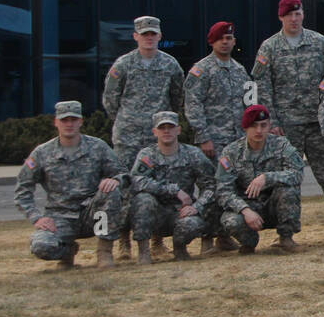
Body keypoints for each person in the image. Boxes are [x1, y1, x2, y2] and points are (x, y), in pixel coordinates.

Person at [103, 15, 184, 259]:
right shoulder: (123, 65)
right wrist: (127, 121)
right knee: (126, 187)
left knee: (157, 186)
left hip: (158, 137)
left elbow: (177, 98)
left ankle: (157, 239)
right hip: (128, 137)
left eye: (153, 34)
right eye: (144, 34)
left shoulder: (170, 65)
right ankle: (125, 240)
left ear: (159, 36)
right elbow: (110, 100)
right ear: (135, 36)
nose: (149, 38)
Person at [251, 0, 324, 213]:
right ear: (281, 17)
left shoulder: (318, 42)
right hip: (287, 124)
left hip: (318, 122)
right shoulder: (269, 47)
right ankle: (287, 227)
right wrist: (271, 122)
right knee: (287, 175)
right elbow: (262, 87)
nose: (294, 19)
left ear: (303, 15)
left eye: (297, 14)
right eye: (289, 15)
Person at [14, 101, 125, 268]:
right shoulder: (42, 153)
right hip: (60, 216)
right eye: (64, 120)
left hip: (92, 215)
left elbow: (123, 173)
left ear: (80, 121)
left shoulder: (97, 147)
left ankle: (104, 252)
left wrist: (115, 179)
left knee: (111, 192)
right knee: (41, 247)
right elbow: (23, 190)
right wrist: (37, 218)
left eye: (73, 119)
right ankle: (66, 251)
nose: (69, 124)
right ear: (56, 122)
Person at [129, 111, 219, 263]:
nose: (166, 131)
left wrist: (197, 206)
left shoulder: (193, 154)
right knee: (142, 199)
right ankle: (144, 252)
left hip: (181, 212)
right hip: (156, 213)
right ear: (154, 132)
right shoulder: (147, 155)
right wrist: (173, 190)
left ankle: (180, 249)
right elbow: (136, 181)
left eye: (170, 127)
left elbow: (212, 184)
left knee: (192, 224)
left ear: (178, 130)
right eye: (162, 127)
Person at [215, 104, 304, 253]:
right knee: (229, 221)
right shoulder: (231, 152)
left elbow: (297, 173)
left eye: (263, 125)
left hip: (273, 205)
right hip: (247, 207)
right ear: (245, 127)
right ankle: (249, 242)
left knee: (289, 189)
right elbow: (223, 191)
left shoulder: (281, 144)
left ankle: (286, 238)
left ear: (269, 125)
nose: (259, 131)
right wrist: (244, 210)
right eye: (254, 126)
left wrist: (267, 177)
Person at [184, 21, 248, 164]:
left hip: (239, 141)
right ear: (212, 42)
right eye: (220, 38)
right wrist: (203, 138)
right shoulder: (201, 70)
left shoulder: (240, 70)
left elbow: (248, 104)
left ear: (234, 41)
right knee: (215, 183)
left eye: (228, 38)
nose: (225, 42)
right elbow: (192, 105)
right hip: (214, 142)